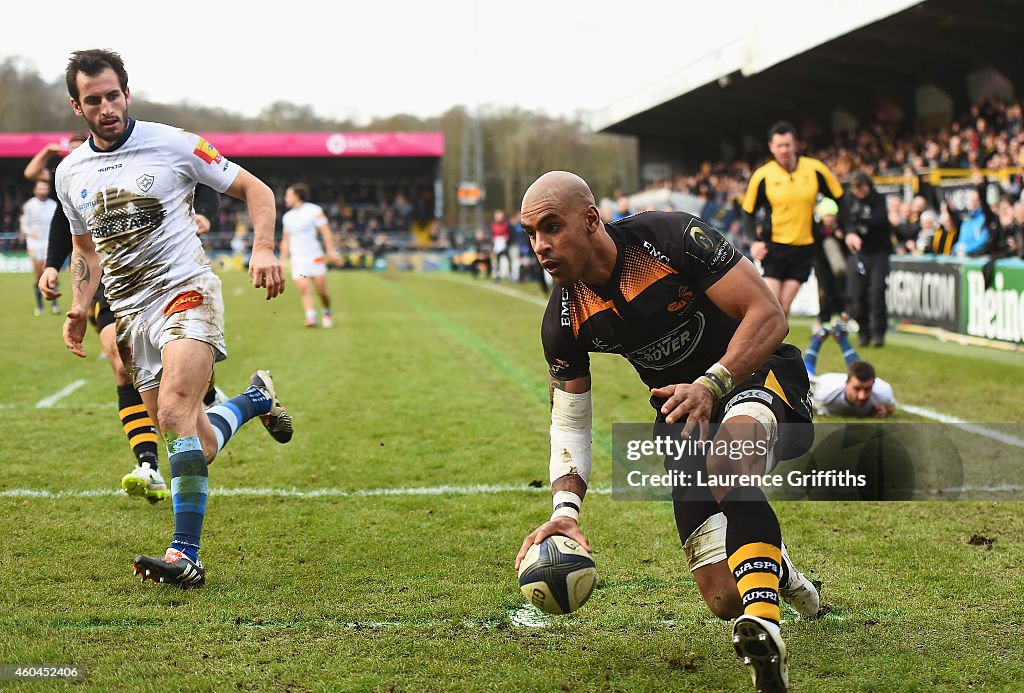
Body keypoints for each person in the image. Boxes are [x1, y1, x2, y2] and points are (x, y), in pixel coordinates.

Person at [515, 171, 820, 693]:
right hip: (684, 417)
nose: (540, 246)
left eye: (551, 227)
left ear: (591, 220)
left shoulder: (673, 238)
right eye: (531, 234)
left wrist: (712, 381)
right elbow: (569, 421)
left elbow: (768, 314)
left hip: (756, 373)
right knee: (723, 596)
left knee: (730, 458)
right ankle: (779, 572)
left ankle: (765, 625)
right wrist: (564, 514)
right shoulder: (563, 319)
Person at [55, 49, 293, 589]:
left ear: (127, 94)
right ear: (78, 106)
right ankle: (255, 399)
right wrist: (77, 305)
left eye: (113, 95)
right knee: (197, 443)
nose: (107, 107)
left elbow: (255, 189)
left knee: (174, 409)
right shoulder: (71, 172)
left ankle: (185, 556)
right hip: (132, 312)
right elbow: (85, 250)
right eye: (94, 100)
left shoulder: (175, 144)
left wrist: (263, 247)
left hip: (185, 291)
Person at [37, 136, 225, 502]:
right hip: (107, 285)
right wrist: (50, 266)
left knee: (192, 424)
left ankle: (222, 395)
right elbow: (69, 232)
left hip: (161, 280)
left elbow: (206, 179)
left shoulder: (143, 161)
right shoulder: (71, 176)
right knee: (121, 364)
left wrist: (203, 215)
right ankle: (148, 464)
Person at [743, 121, 845, 316]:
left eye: (787, 145)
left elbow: (841, 198)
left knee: (783, 308)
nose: (784, 150)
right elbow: (748, 212)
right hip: (774, 248)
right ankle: (771, 346)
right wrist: (754, 242)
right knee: (771, 307)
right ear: (771, 147)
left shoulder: (815, 169)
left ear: (796, 145)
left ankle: (775, 347)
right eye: (779, 145)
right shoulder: (762, 176)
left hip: (803, 248)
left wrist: (848, 230)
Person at [803, 324, 895, 417]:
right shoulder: (824, 392)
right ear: (846, 382)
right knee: (803, 376)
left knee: (858, 369)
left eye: (867, 389)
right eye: (857, 388)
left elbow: (891, 407)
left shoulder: (883, 392)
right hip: (828, 383)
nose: (862, 396)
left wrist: (887, 411)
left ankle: (841, 338)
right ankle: (818, 338)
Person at [280, 183, 339, 328]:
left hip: (315, 256)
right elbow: (286, 240)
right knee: (304, 287)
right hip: (298, 258)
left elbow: (325, 232)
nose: (285, 198)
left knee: (322, 292)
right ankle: (311, 317)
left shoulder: (314, 210)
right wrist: (282, 259)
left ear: (296, 196)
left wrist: (330, 251)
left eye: (288, 195)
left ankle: (326, 311)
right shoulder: (287, 217)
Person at [845, 172, 893, 347]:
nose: (859, 191)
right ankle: (863, 331)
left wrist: (859, 220)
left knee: (877, 291)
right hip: (859, 252)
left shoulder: (877, 200)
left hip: (878, 251)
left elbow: (879, 221)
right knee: (857, 294)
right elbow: (845, 222)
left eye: (862, 187)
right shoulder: (849, 200)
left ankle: (878, 332)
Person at [19, 180, 60, 316]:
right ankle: (40, 306)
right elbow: (24, 225)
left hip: (50, 243)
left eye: (45, 188)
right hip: (35, 243)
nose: (42, 190)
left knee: (53, 273)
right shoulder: (29, 205)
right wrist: (30, 234)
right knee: (38, 276)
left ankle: (54, 305)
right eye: (40, 188)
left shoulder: (53, 205)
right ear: (35, 190)